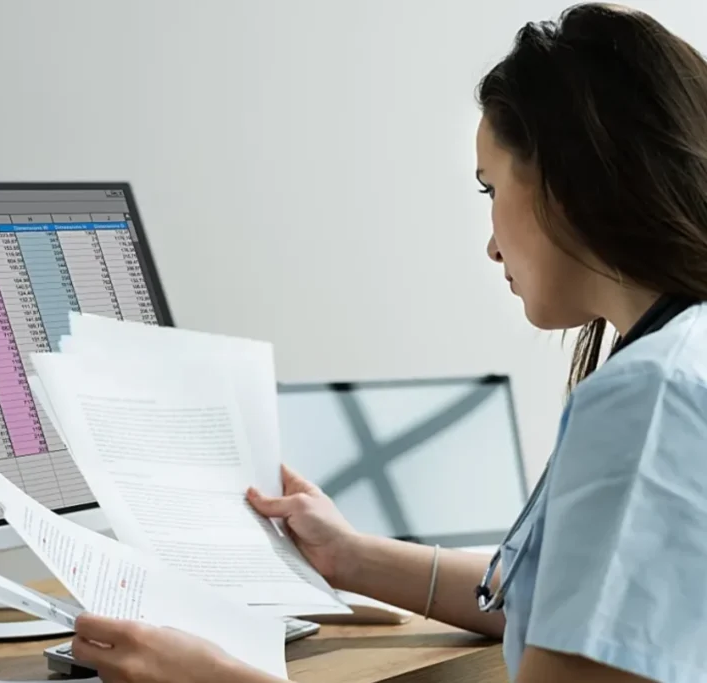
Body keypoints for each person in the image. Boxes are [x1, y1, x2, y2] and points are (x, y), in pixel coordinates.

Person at [68, 3, 707, 682]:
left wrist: (214, 678)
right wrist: (350, 556)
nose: (492, 245)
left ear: (566, 181)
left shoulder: (651, 398)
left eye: (490, 188)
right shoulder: (679, 357)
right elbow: (569, 607)